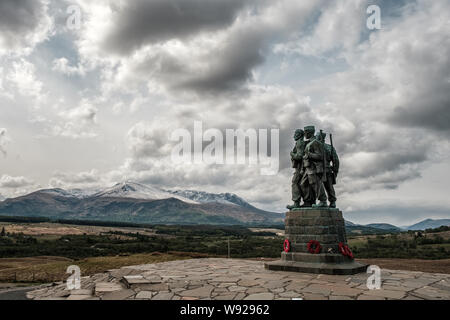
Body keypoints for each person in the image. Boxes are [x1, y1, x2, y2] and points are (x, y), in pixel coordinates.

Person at [300, 126, 327, 207]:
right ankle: (308, 202)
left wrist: (309, 154)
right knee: (303, 184)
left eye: (305, 132)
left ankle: (323, 201)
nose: (304, 134)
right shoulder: (308, 143)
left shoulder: (316, 143)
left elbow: (320, 156)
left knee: (316, 183)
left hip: (313, 167)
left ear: (309, 132)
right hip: (307, 167)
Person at [316, 132, 339, 208]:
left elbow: (335, 160)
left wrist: (335, 171)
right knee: (329, 187)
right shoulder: (330, 147)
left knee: (321, 186)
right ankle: (332, 202)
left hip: (320, 170)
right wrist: (335, 171)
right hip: (327, 169)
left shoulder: (317, 147)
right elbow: (336, 161)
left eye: (317, 136)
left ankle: (325, 201)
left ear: (319, 137)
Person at [287, 129, 305, 210]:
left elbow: (299, 156)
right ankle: (304, 202)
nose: (294, 135)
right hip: (301, 167)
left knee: (295, 182)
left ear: (299, 135)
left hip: (300, 168)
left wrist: (292, 154)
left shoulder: (299, 143)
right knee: (301, 184)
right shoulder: (300, 142)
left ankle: (296, 202)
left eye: (295, 134)